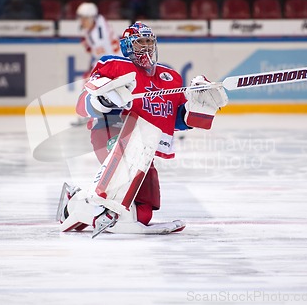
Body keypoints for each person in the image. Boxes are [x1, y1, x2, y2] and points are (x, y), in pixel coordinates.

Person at [58, 22, 228, 237]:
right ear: (128, 46)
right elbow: (83, 105)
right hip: (112, 131)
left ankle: (78, 203)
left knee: (145, 209)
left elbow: (171, 120)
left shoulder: (170, 78)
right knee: (122, 179)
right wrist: (103, 100)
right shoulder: (112, 66)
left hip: (144, 142)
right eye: (140, 42)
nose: (146, 47)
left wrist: (195, 108)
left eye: (149, 41)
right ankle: (99, 211)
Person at [72, 2, 121, 126]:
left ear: (91, 18)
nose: (82, 21)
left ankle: (88, 113)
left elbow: (101, 58)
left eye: (84, 18)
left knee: (89, 82)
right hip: (114, 60)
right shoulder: (98, 23)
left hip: (114, 62)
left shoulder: (98, 35)